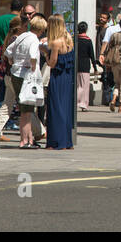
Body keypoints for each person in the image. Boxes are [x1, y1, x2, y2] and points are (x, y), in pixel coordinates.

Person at [6, 16, 45, 148]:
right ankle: (26, 141)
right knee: (27, 111)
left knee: (23, 110)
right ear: (40, 29)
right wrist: (33, 68)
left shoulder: (22, 36)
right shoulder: (34, 39)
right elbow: (33, 55)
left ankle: (27, 139)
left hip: (15, 73)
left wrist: (14, 61)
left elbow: (8, 51)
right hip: (26, 76)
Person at [44, 15, 75, 149]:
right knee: (65, 108)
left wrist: (45, 53)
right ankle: (67, 141)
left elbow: (52, 63)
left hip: (57, 77)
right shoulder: (68, 39)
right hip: (67, 78)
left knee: (55, 107)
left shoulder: (56, 42)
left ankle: (57, 141)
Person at [74, 22, 96, 112]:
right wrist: (95, 67)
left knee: (77, 85)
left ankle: (75, 101)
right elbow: (92, 55)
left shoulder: (75, 40)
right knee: (84, 86)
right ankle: (83, 104)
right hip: (85, 65)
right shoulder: (88, 40)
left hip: (75, 65)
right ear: (86, 29)